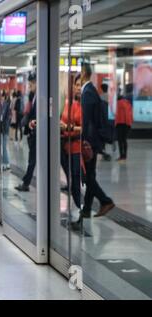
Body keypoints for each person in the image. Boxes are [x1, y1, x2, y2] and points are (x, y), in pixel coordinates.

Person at [79, 63, 115, 220]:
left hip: (90, 142)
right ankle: (86, 209)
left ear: (84, 73)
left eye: (79, 73)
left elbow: (85, 120)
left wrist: (83, 140)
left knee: (87, 177)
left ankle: (105, 201)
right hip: (93, 141)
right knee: (90, 175)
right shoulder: (91, 91)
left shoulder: (87, 92)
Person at [60, 74, 83, 210]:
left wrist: (69, 127)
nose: (79, 88)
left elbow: (85, 128)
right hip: (65, 146)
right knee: (72, 178)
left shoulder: (84, 105)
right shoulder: (67, 104)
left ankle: (81, 207)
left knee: (77, 178)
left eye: (81, 85)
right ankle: (78, 207)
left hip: (78, 147)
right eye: (77, 85)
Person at [15, 73, 37, 192]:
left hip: (38, 135)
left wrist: (33, 122)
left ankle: (26, 183)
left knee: (32, 160)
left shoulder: (40, 97)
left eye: (31, 84)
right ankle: (26, 182)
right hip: (33, 134)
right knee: (32, 160)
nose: (29, 87)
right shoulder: (33, 97)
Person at [115, 92, 133, 162]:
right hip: (127, 123)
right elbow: (130, 114)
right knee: (124, 140)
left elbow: (115, 114)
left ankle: (121, 156)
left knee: (120, 140)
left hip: (120, 123)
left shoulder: (117, 103)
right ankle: (125, 156)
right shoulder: (128, 103)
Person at [0, 90, 12, 171]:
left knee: (3, 146)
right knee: (2, 146)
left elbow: (3, 116)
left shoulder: (6, 105)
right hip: (2, 128)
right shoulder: (2, 105)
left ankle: (6, 163)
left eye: (1, 96)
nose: (0, 98)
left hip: (4, 128)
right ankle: (4, 163)